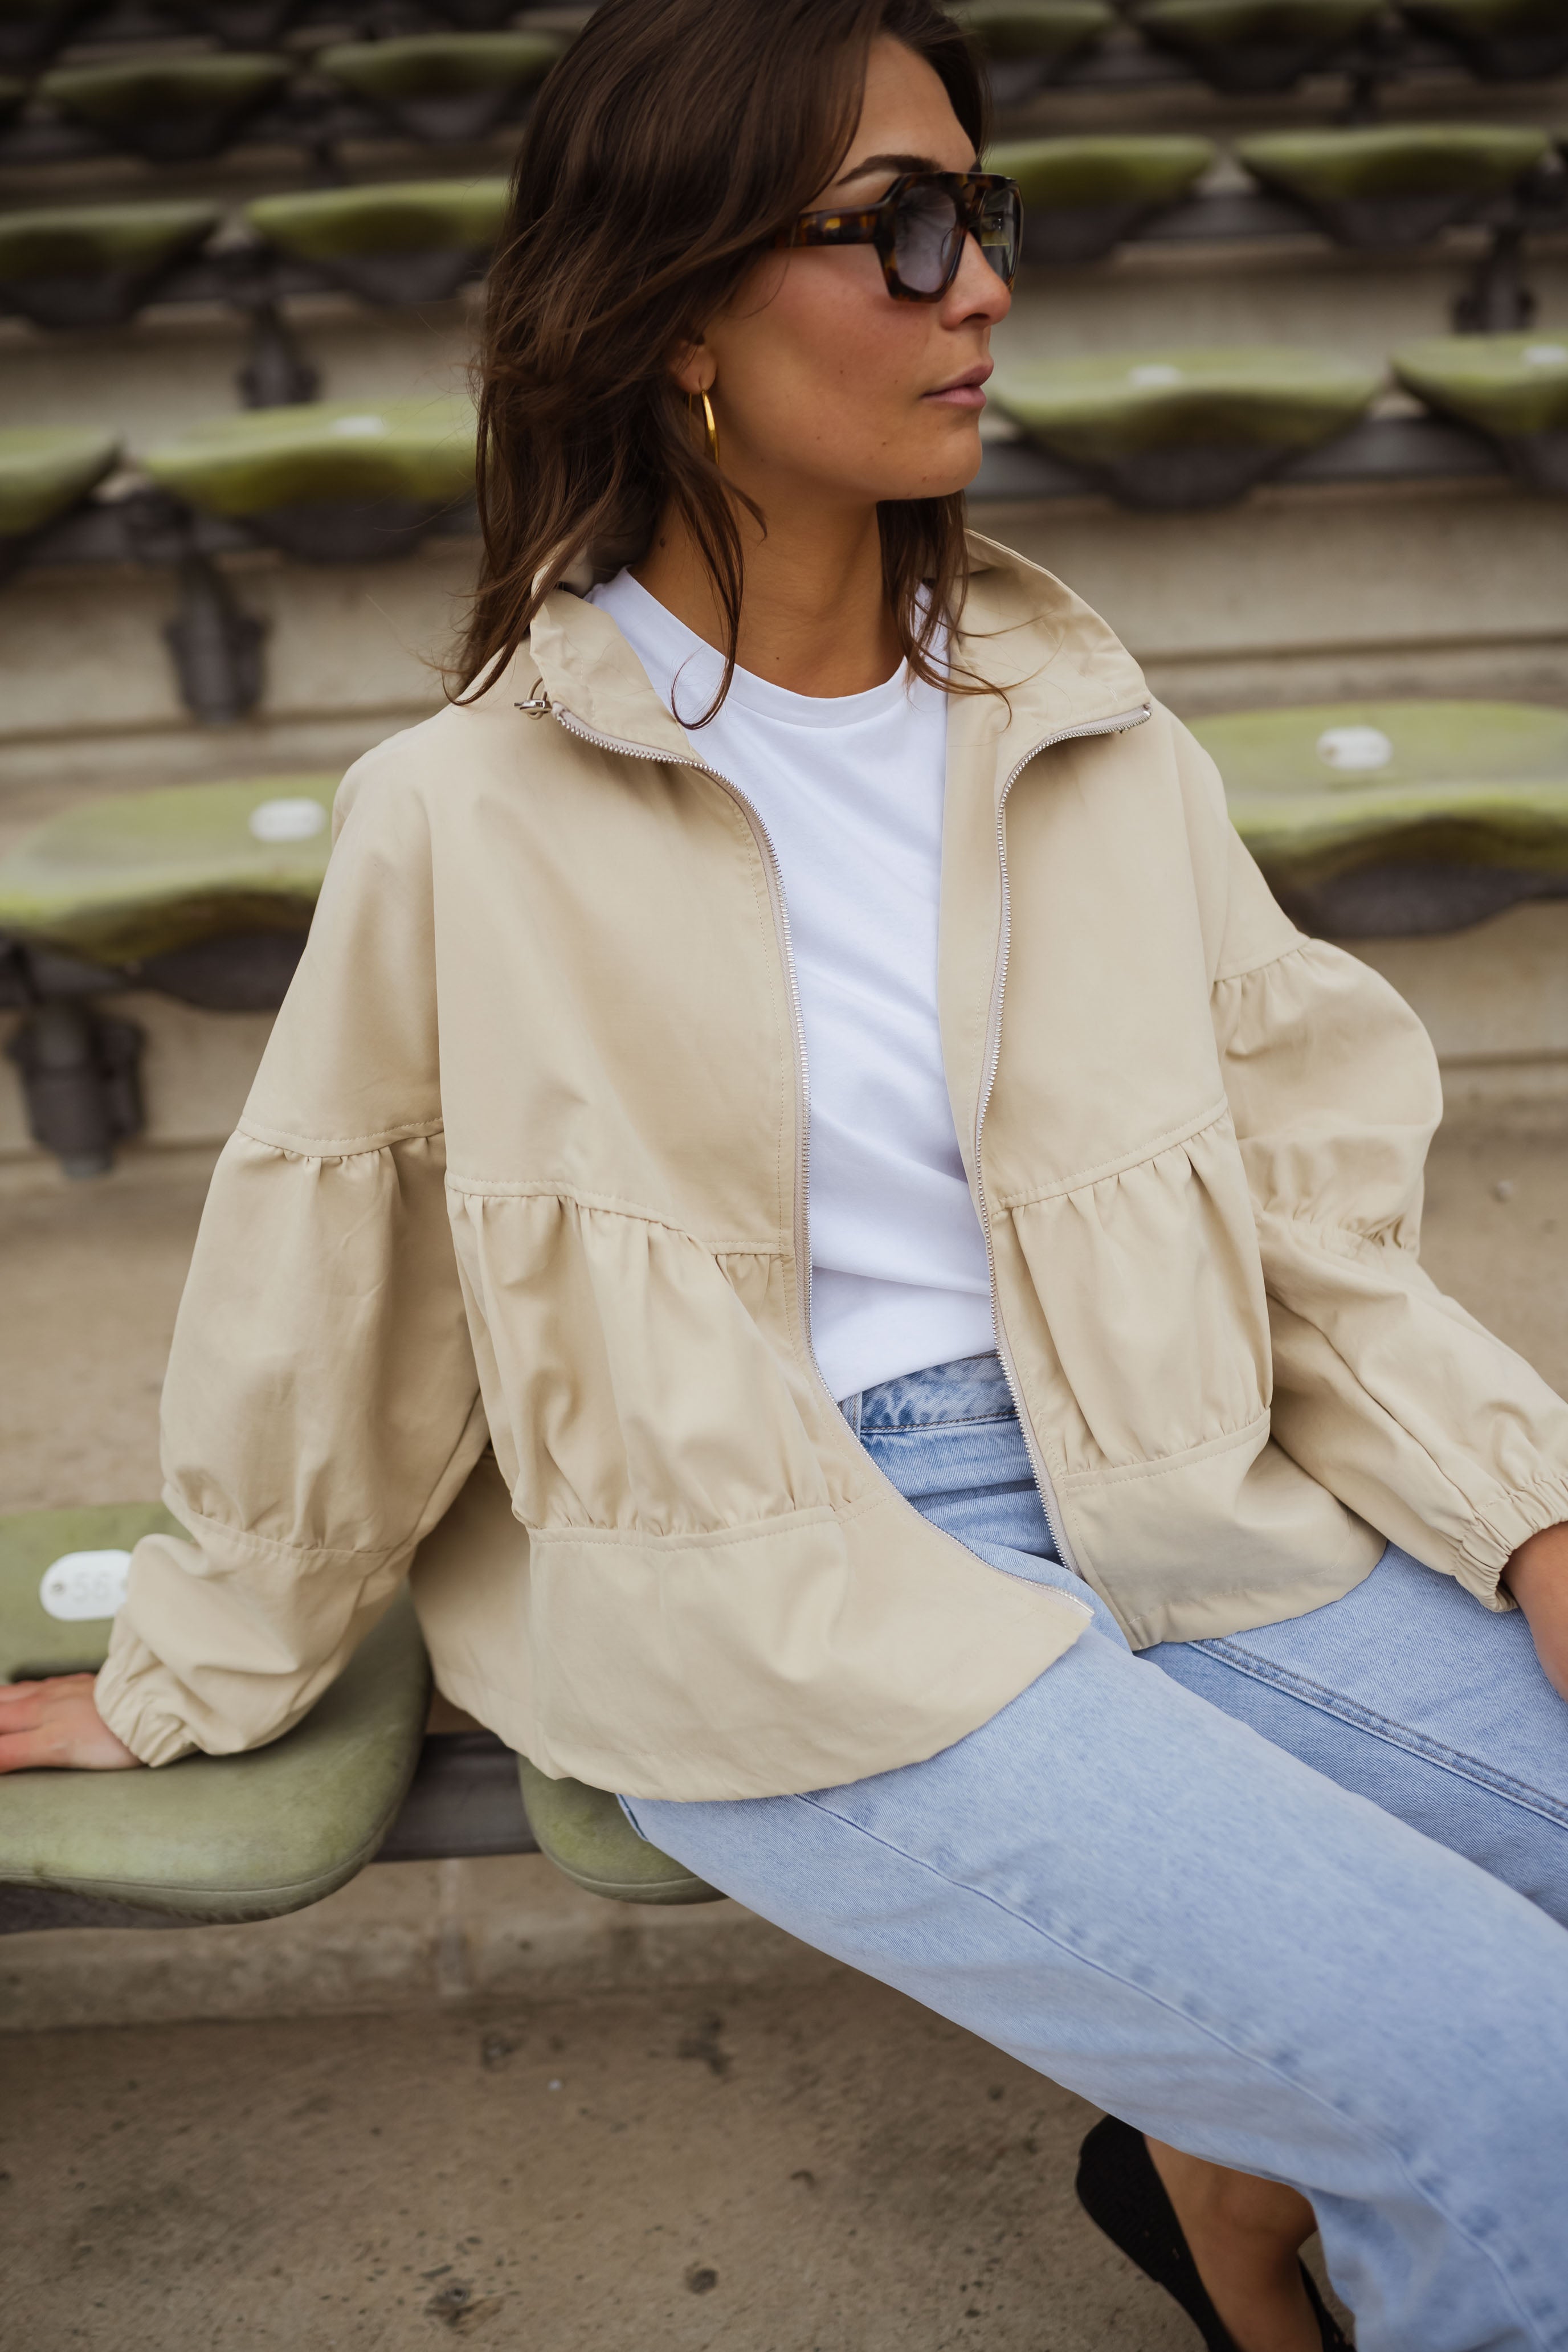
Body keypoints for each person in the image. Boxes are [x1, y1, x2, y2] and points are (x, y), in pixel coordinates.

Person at [3, 1, 1566, 2343]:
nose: (983, 290)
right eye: (896, 232)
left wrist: (1528, 1508)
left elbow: (1298, 1218)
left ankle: (1240, 2182)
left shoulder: (1087, 728)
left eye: (982, 216)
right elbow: (344, 1287)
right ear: (675, 312)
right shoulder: (463, 813)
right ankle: (1270, 2183)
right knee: (1505, 2075)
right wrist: (191, 1669)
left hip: (1174, 1473)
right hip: (774, 1572)